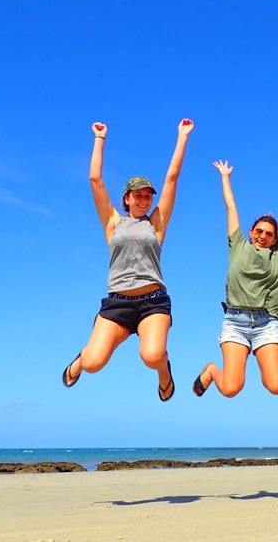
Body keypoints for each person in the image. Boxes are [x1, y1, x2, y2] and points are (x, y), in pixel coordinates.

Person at [62, 118, 194, 401]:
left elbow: (172, 178)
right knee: (93, 364)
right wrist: (100, 139)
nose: (144, 200)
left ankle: (164, 371)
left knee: (152, 355)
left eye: (148, 196)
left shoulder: (156, 224)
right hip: (118, 303)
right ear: (127, 198)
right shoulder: (113, 223)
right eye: (138, 195)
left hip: (153, 301)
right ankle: (83, 356)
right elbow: (95, 180)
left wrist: (182, 136)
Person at [192, 160, 278, 398]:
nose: (263, 236)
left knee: (277, 386)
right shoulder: (237, 244)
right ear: (250, 232)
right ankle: (211, 371)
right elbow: (231, 207)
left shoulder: (277, 255)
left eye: (269, 234)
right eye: (258, 231)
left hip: (266, 323)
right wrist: (225, 176)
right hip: (235, 321)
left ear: (274, 239)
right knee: (230, 389)